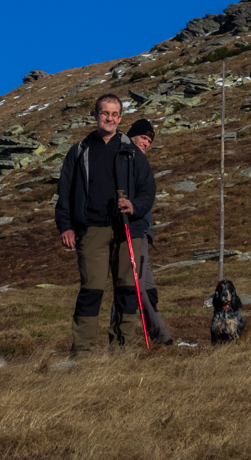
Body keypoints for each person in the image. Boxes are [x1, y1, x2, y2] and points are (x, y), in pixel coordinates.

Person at [55, 93, 156, 356]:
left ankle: (122, 351)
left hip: (127, 230)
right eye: (104, 113)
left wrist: (134, 207)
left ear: (120, 118)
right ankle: (83, 353)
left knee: (127, 290)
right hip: (91, 230)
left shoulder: (132, 153)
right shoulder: (79, 151)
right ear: (96, 115)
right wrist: (65, 226)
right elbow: (64, 193)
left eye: (114, 114)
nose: (109, 118)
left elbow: (148, 190)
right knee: (91, 291)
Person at [109, 118, 173, 346]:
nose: (146, 143)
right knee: (130, 285)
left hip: (141, 231)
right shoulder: (123, 156)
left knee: (146, 289)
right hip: (131, 230)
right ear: (133, 134)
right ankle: (126, 340)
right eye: (144, 137)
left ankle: (158, 336)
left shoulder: (137, 160)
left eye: (149, 140)